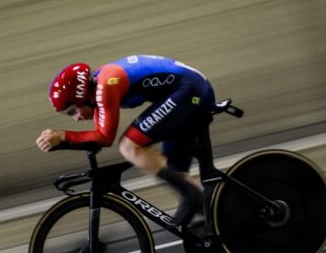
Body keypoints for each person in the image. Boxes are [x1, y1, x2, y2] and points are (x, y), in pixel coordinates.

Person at [35, 55, 216, 226]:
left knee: (129, 147)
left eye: (74, 111)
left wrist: (63, 136)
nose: (76, 118)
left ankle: (193, 196)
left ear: (82, 97)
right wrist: (64, 142)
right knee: (175, 171)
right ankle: (213, 219)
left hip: (190, 90)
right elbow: (98, 135)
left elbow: (105, 138)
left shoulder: (106, 85)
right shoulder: (97, 87)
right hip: (188, 90)